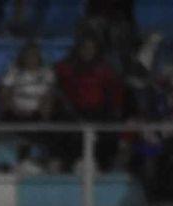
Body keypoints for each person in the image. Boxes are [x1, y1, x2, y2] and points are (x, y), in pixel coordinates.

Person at [52, 36, 122, 171]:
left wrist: (112, 108)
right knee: (64, 127)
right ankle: (67, 164)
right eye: (84, 48)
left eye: (91, 48)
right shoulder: (66, 67)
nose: (87, 51)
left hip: (99, 111)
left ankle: (103, 164)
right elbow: (58, 87)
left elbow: (113, 92)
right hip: (72, 111)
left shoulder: (105, 69)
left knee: (109, 129)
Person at [0, 41, 56, 174]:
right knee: (16, 121)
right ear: (23, 57)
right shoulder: (14, 72)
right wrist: (14, 108)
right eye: (28, 56)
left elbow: (49, 95)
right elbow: (5, 93)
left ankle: (43, 162)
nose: (31, 59)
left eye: (34, 56)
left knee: (47, 123)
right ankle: (21, 161)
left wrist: (43, 110)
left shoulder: (47, 73)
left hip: (37, 111)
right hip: (16, 112)